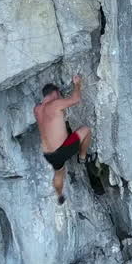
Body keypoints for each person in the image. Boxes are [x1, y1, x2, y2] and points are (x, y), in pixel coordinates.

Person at [34, 75, 93, 204]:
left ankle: (59, 194)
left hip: (48, 155)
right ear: (55, 94)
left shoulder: (37, 109)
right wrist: (77, 84)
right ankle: (82, 157)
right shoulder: (54, 104)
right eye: (59, 95)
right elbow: (76, 99)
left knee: (59, 172)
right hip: (61, 150)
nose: (60, 97)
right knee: (86, 130)